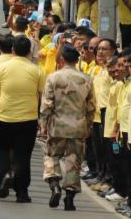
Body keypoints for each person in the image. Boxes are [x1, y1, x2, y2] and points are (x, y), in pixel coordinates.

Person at [0, 35, 46, 203]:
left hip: (4, 117)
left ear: (12, 50)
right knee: (23, 156)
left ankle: (4, 177)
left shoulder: (1, 68)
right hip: (28, 119)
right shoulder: (37, 70)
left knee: (1, 150)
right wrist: (42, 118)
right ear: (29, 51)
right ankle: (22, 192)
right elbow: (42, 96)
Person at [39, 45, 96, 210]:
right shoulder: (87, 79)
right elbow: (91, 107)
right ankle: (69, 198)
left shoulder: (53, 77)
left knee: (52, 155)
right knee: (74, 161)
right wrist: (88, 125)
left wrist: (43, 125)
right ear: (77, 60)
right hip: (78, 126)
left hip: (57, 125)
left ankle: (54, 184)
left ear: (62, 59)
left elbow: (47, 104)